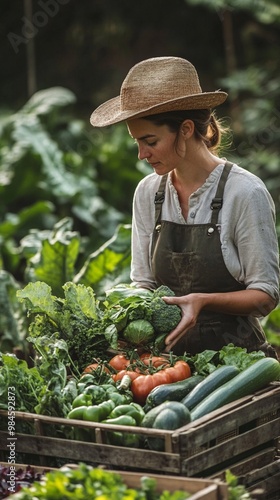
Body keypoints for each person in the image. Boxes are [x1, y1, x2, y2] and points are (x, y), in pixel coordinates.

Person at [90, 56, 279, 358]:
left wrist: (203, 300)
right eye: (136, 141)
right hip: (166, 365)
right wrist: (125, 311)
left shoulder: (244, 193)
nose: (141, 154)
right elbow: (143, 283)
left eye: (150, 140)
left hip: (238, 365)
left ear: (187, 129)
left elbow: (266, 296)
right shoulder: (148, 193)